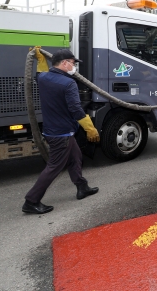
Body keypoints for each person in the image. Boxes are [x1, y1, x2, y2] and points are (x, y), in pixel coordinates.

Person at [22, 48, 100, 214]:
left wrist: (41, 61)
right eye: (72, 63)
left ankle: (82, 187)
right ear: (64, 63)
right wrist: (89, 128)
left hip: (56, 131)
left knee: (75, 157)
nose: (74, 67)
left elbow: (40, 73)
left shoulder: (44, 78)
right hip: (61, 134)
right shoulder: (69, 83)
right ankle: (31, 201)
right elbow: (76, 109)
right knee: (54, 167)